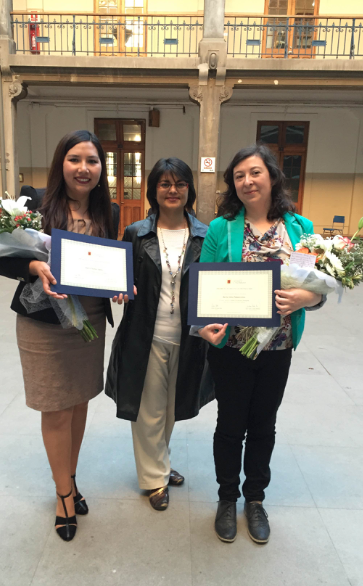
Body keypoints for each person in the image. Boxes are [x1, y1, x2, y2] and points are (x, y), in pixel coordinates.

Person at [196, 144, 325, 544]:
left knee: (263, 425)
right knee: (230, 424)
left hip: (278, 348)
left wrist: (309, 298)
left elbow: (314, 287)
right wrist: (202, 326)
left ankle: (255, 499)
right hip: (231, 348)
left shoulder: (300, 229)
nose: (247, 181)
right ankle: (225, 499)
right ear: (232, 184)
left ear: (272, 176)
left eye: (254, 173)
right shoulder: (222, 228)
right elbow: (203, 285)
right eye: (239, 176)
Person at [0, 130, 118, 542]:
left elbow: (108, 265)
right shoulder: (35, 202)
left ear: (102, 169)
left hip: (90, 320)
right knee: (56, 407)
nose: (84, 168)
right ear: (60, 163)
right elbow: (4, 261)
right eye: (75, 159)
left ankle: (72, 477)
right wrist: (35, 268)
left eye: (92, 161)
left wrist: (118, 286)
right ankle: (63, 494)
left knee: (79, 401)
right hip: (43, 322)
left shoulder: (108, 211)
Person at [106, 157, 214, 511]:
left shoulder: (204, 234)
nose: (172, 190)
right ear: (153, 189)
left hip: (189, 337)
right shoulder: (136, 233)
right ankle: (154, 478)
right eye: (164, 184)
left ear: (189, 189)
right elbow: (124, 279)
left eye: (179, 183)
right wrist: (119, 289)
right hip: (146, 335)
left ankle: (160, 464)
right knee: (149, 409)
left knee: (170, 409)